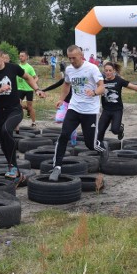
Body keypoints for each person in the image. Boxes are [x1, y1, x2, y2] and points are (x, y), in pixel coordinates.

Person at [0, 47, 44, 183]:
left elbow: (28, 77)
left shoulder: (13, 68)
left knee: (6, 130)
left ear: (2, 57)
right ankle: (16, 171)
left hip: (15, 109)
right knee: (2, 140)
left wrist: (37, 89)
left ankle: (13, 168)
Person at [50, 45, 109, 181]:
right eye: (69, 58)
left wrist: (94, 92)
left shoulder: (92, 68)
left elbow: (102, 86)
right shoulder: (69, 70)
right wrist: (61, 99)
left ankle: (103, 148)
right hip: (74, 108)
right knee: (64, 135)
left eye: (74, 58)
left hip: (90, 111)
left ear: (81, 56)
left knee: (91, 144)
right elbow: (66, 84)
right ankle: (57, 167)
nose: (71, 61)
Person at [98, 62, 137, 143]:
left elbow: (133, 87)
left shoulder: (119, 80)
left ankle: (120, 129)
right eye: (106, 71)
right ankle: (100, 150)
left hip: (117, 110)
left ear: (114, 71)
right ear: (104, 71)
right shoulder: (101, 81)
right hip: (106, 110)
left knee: (114, 130)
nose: (108, 72)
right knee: (100, 132)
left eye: (110, 70)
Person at [16, 50, 38, 128]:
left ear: (26, 57)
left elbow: (36, 77)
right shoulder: (17, 66)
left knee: (30, 107)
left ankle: (33, 122)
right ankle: (17, 121)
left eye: (22, 56)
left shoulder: (29, 67)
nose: (20, 57)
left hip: (28, 90)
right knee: (17, 104)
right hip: (19, 89)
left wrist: (33, 84)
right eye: (20, 56)